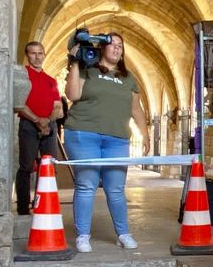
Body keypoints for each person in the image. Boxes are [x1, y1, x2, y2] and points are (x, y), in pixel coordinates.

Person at [64, 33, 151, 253]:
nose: (116, 48)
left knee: (116, 188)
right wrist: (75, 62)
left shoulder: (128, 78)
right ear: (102, 48)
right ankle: (83, 235)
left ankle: (123, 233)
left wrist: (145, 134)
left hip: (117, 139)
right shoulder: (88, 69)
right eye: (111, 44)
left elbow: (136, 109)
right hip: (84, 134)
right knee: (86, 185)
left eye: (120, 45)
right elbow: (72, 94)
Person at [15, 41, 62, 215]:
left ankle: (42, 205)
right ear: (27, 55)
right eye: (33, 53)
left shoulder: (51, 80)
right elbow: (18, 104)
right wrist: (37, 120)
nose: (37, 57)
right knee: (26, 166)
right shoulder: (22, 76)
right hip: (29, 124)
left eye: (40, 53)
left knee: (48, 165)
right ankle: (22, 208)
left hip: (49, 126)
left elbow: (58, 107)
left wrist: (47, 121)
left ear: (44, 55)